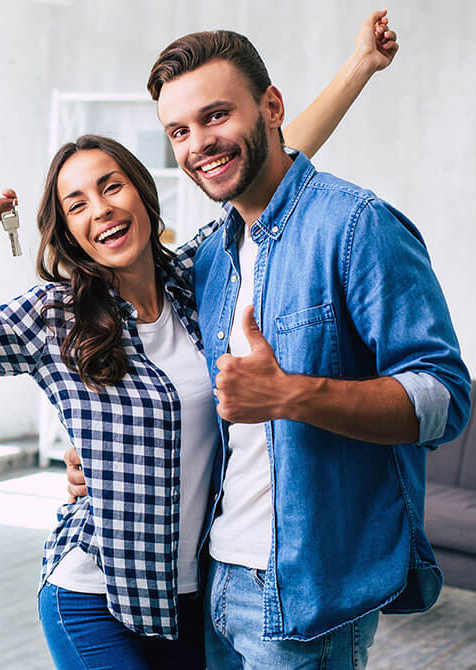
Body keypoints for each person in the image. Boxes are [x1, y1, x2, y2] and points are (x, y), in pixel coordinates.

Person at [0, 13, 403, 670]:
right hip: (93, 596)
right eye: (76, 204)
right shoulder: (52, 316)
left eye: (110, 186)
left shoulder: (200, 278)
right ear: (68, 231)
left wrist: (358, 65)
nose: (99, 209)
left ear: (141, 191)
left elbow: (270, 160)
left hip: (192, 595)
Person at [67, 9, 472, 670]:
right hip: (211, 578)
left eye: (216, 115)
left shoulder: (356, 227)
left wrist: (293, 395)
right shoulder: (210, 260)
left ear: (271, 106)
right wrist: (106, 453)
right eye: (179, 130)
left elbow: (442, 399)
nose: (199, 142)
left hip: (306, 590)